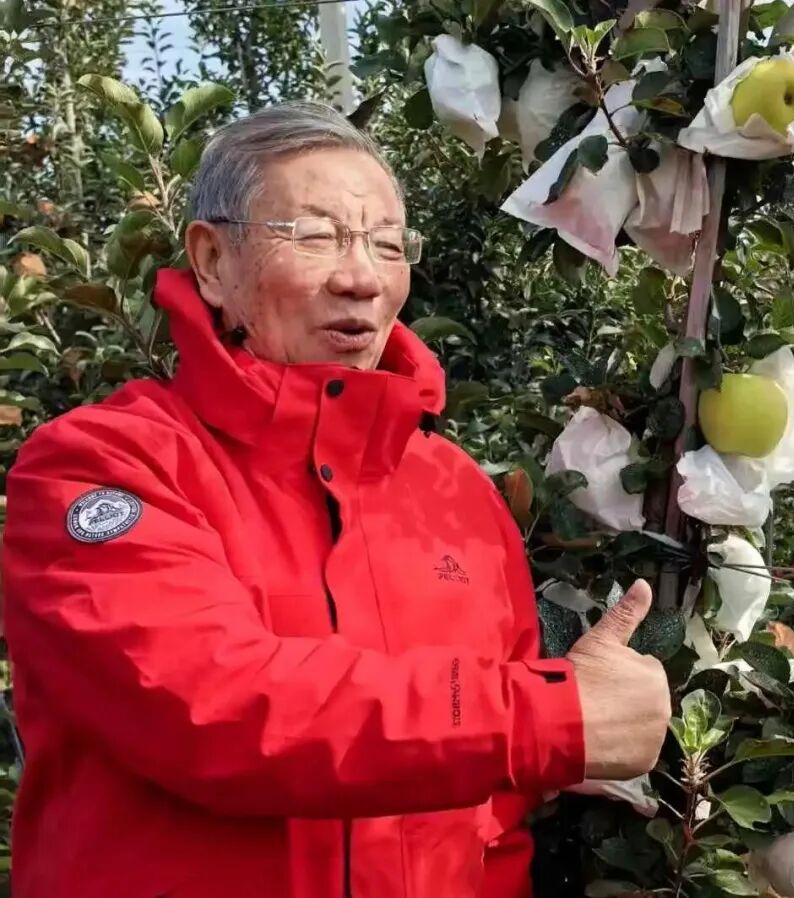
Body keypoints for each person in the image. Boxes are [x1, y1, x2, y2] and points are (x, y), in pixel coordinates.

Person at [0, 101, 671, 898]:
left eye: (388, 244)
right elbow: (217, 708)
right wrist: (550, 716)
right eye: (315, 237)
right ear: (211, 261)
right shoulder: (105, 467)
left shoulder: (454, 490)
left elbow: (494, 822)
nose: (362, 278)